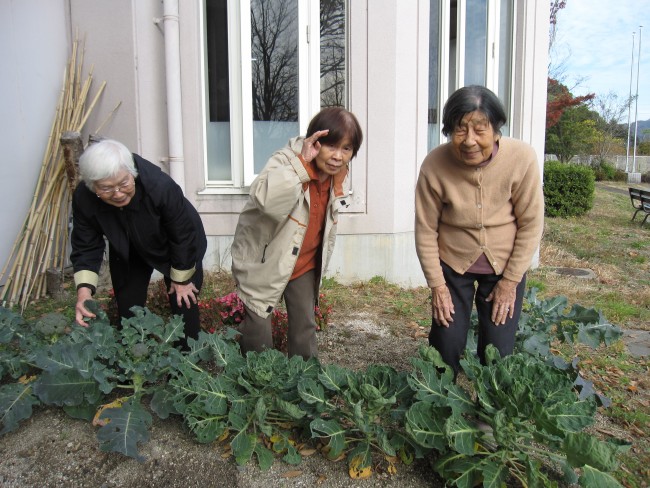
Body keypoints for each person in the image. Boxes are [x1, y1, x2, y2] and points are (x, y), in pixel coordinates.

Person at [415, 85, 544, 376]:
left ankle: (490, 412)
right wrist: (437, 286)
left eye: (480, 130)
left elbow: (531, 223)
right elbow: (425, 229)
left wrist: (510, 281)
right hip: (453, 264)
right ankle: (438, 403)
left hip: (504, 266)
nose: (469, 141)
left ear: (496, 129)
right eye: (460, 130)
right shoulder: (434, 165)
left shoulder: (522, 159)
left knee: (497, 346)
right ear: (448, 130)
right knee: (446, 340)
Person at [231, 107, 363, 359]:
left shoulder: (336, 177)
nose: (338, 156)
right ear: (315, 141)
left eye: (346, 149)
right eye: (331, 146)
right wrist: (301, 165)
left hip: (303, 263)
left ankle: (306, 384)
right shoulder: (286, 160)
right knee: (258, 329)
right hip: (264, 258)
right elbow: (266, 201)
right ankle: (256, 385)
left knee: (305, 325)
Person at [70, 139, 207, 349]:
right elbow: (85, 245)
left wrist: (181, 279)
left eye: (124, 184)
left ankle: (188, 361)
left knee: (183, 301)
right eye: (106, 189)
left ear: (132, 173)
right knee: (128, 304)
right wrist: (84, 293)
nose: (117, 194)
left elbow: (183, 235)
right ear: (92, 185)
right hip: (127, 246)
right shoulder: (84, 197)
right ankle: (133, 358)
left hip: (177, 244)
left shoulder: (159, 186)